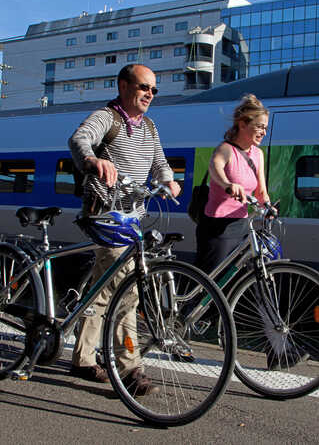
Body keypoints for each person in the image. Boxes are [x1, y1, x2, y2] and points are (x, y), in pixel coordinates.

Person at [68, 64, 181, 394]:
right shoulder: (108, 117)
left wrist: (168, 180)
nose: (149, 94)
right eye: (144, 87)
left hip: (133, 219)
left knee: (103, 289)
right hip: (106, 216)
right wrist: (94, 162)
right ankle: (131, 369)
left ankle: (84, 357)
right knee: (127, 291)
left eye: (153, 90)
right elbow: (79, 139)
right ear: (123, 85)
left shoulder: (149, 126)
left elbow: (158, 161)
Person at [195, 94, 271, 276]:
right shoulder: (226, 149)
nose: (264, 132)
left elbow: (261, 191)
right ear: (243, 124)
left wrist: (268, 206)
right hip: (217, 227)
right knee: (211, 280)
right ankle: (195, 305)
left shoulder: (258, 154)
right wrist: (228, 184)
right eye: (260, 127)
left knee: (237, 279)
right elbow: (215, 168)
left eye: (265, 128)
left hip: (242, 224)